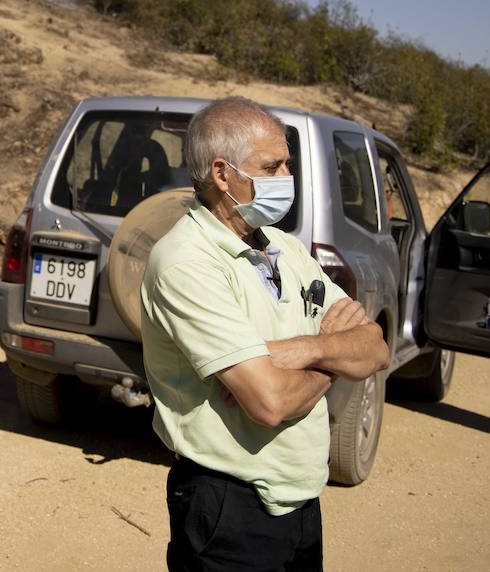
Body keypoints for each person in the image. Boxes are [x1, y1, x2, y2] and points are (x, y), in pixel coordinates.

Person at [141, 97, 389, 571]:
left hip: (300, 501)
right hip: (230, 509)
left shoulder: (284, 249)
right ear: (221, 174)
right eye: (271, 166)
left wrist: (305, 349)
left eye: (286, 165)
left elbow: (374, 347)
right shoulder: (187, 262)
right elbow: (269, 402)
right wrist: (334, 360)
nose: (285, 179)